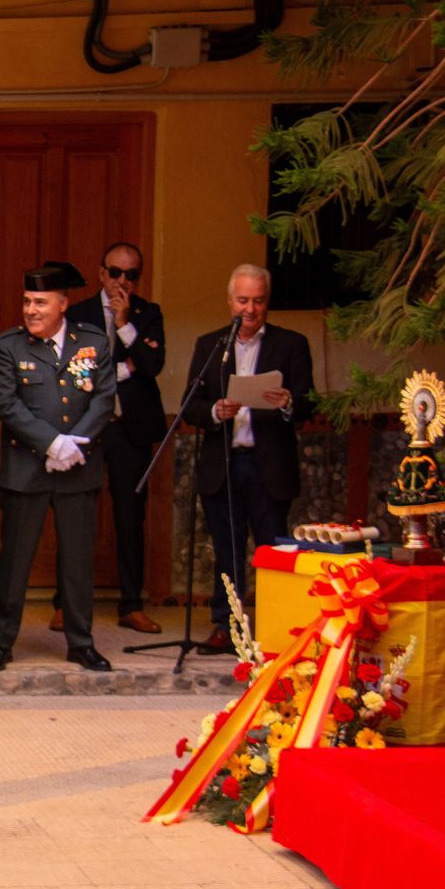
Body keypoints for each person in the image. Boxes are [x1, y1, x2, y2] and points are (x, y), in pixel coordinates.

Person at [0, 262, 116, 675]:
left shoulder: (92, 342)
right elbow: (7, 404)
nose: (30, 310)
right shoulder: (11, 346)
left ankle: (81, 643)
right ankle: (2, 643)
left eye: (40, 302)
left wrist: (76, 444)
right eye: (26, 301)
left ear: (63, 304)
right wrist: (52, 443)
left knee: (77, 562)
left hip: (78, 467)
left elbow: (103, 399)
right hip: (27, 470)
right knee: (15, 561)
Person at [181, 263, 313, 654]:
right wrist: (213, 411)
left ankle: (274, 627)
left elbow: (309, 401)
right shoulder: (211, 345)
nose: (250, 309)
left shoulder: (291, 344)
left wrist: (288, 401)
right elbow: (190, 405)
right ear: (229, 302)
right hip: (222, 461)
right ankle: (227, 626)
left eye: (258, 301)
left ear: (267, 302)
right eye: (242, 301)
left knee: (272, 549)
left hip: (268, 463)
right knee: (227, 549)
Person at [53, 242, 168, 635]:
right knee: (75, 517)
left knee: (130, 519)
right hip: (85, 431)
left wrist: (124, 325)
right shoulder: (78, 313)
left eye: (131, 275)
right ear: (101, 273)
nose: (122, 281)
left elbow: (152, 366)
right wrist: (121, 369)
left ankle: (131, 605)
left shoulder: (147, 314)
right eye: (115, 273)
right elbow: (71, 372)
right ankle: (63, 604)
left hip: (129, 430)